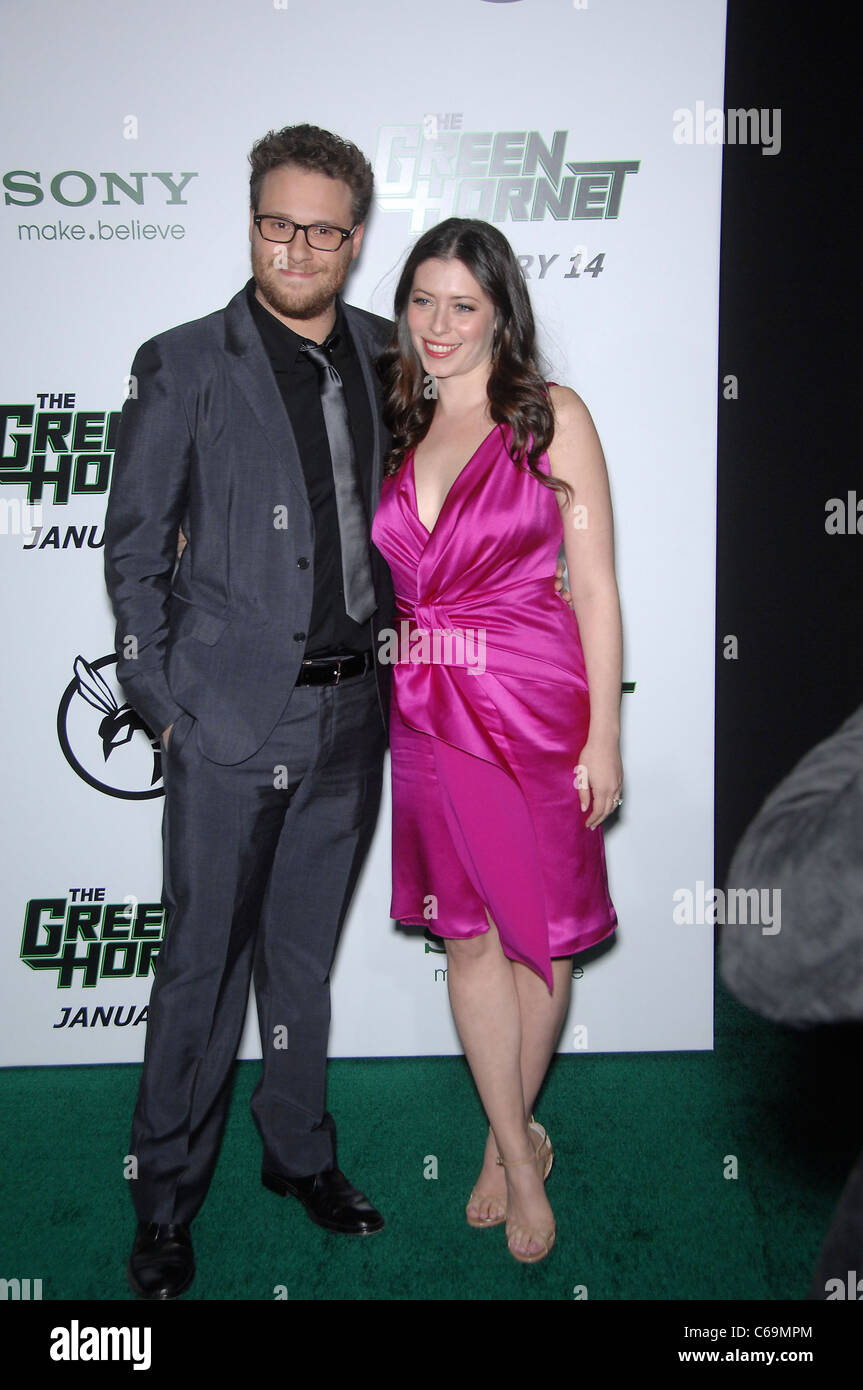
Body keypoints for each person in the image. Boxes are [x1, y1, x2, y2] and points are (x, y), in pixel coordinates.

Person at [104, 124, 395, 1299]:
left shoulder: (387, 355)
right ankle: (164, 1203)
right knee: (199, 974)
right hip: (230, 728)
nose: (299, 246)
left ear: (355, 240)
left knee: (301, 964)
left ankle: (296, 1155)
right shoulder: (184, 362)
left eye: (323, 228)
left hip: (353, 713)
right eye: (279, 222)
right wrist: (164, 703)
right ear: (250, 222)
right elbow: (133, 554)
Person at [372, 218, 623, 1263]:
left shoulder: (547, 417)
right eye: (421, 301)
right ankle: (519, 1142)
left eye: (460, 304)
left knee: (536, 932)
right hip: (423, 711)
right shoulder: (399, 423)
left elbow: (596, 585)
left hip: (527, 707)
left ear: (499, 313)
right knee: (467, 935)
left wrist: (602, 734)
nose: (437, 324)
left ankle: (508, 1148)